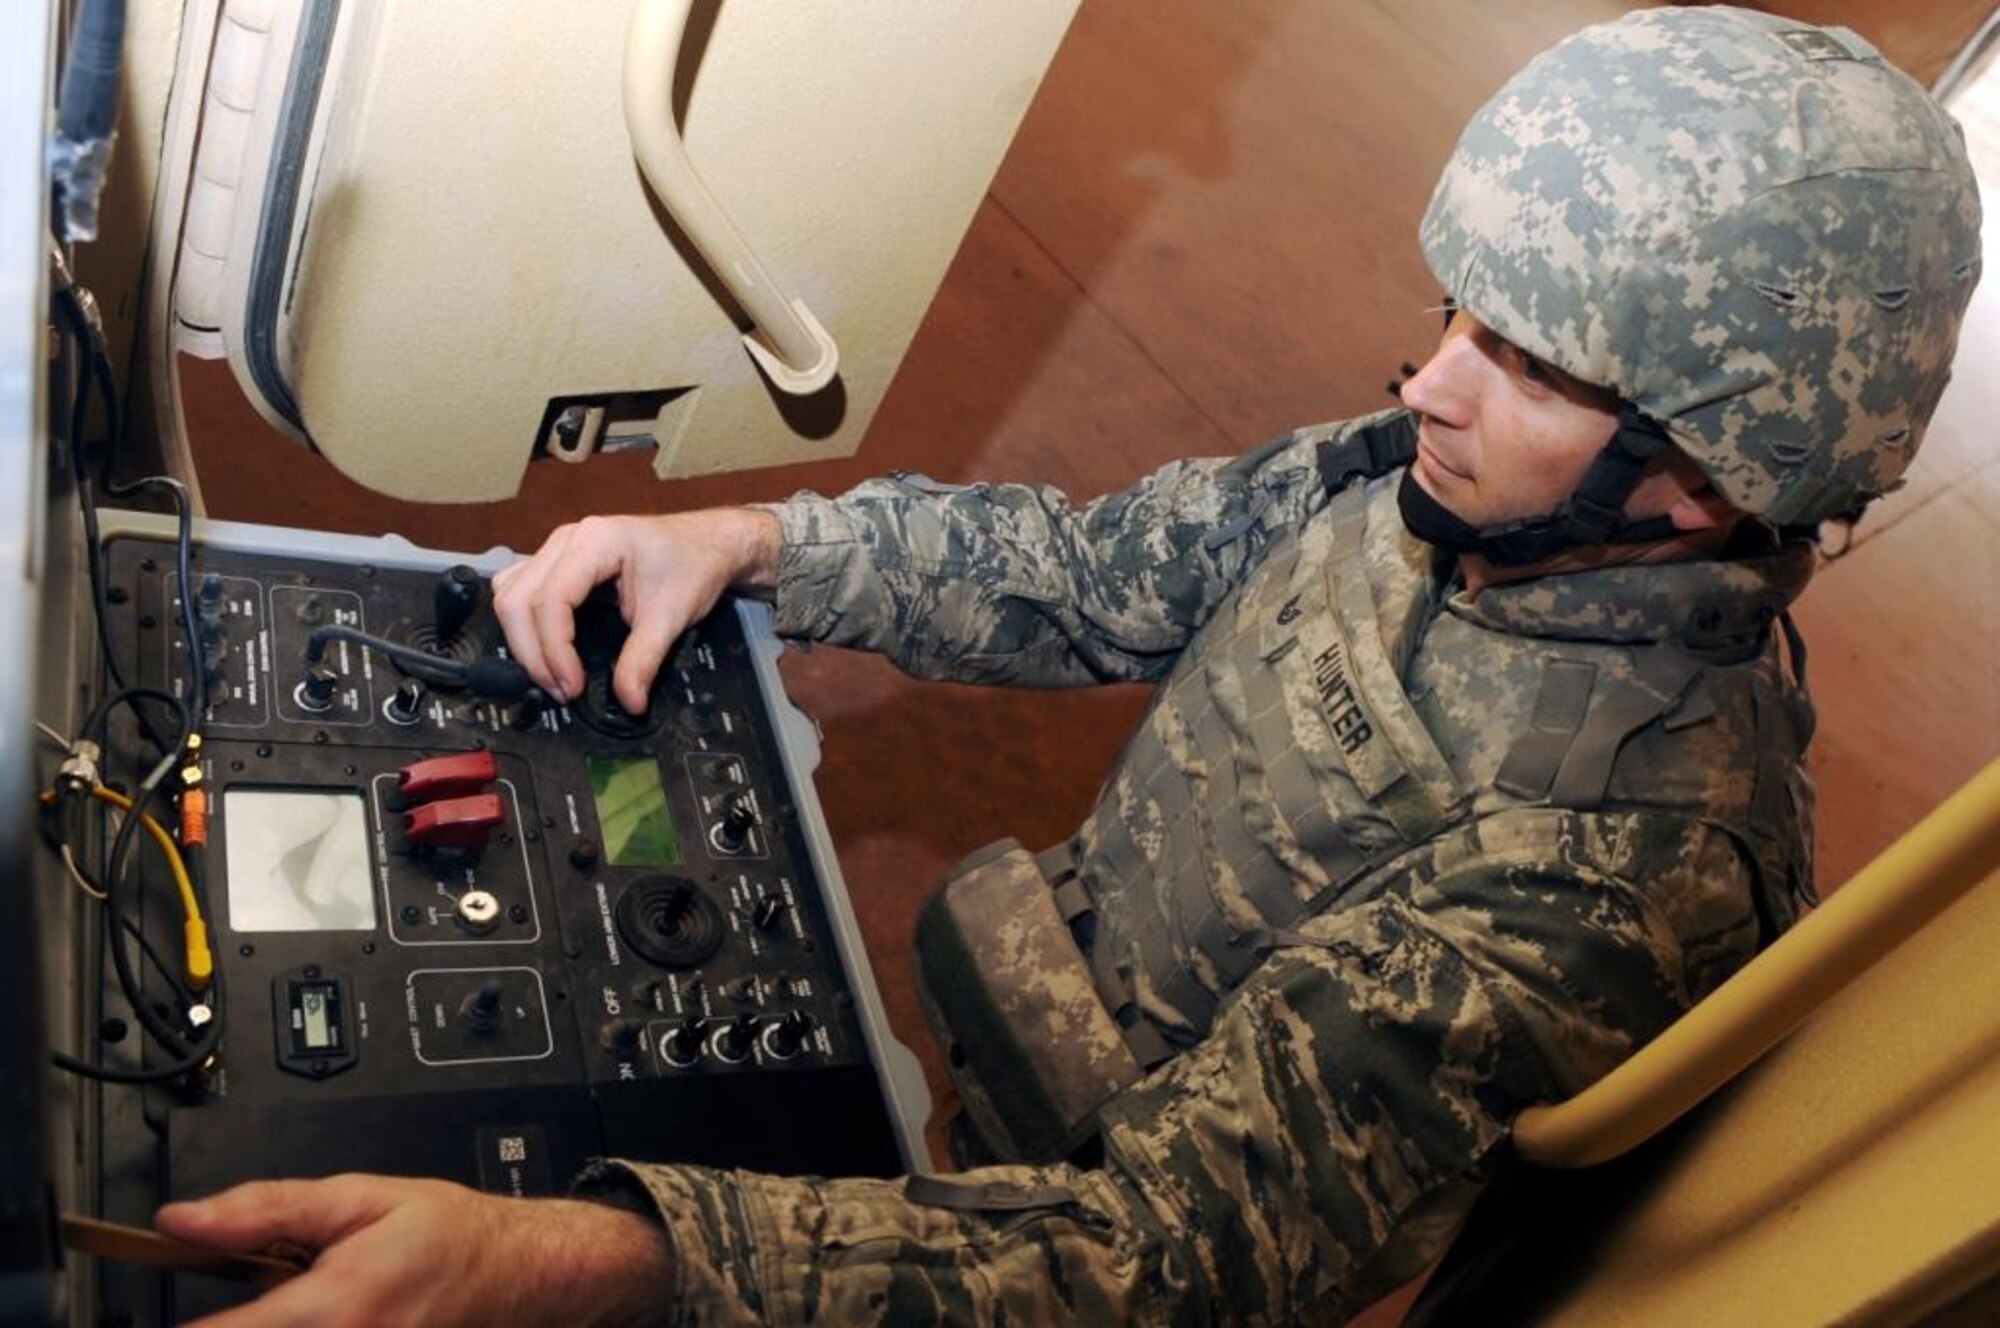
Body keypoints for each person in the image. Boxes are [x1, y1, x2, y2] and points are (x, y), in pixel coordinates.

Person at [155, 7, 1981, 1324]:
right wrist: (760, 541)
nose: (1428, 379)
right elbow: (1102, 571)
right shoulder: (1444, 484)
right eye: (1464, 316)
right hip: (1055, 1047)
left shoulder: (1616, 873)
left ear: (1711, 468)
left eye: (1531, 364)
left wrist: (596, 1263)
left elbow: (1157, 1261)